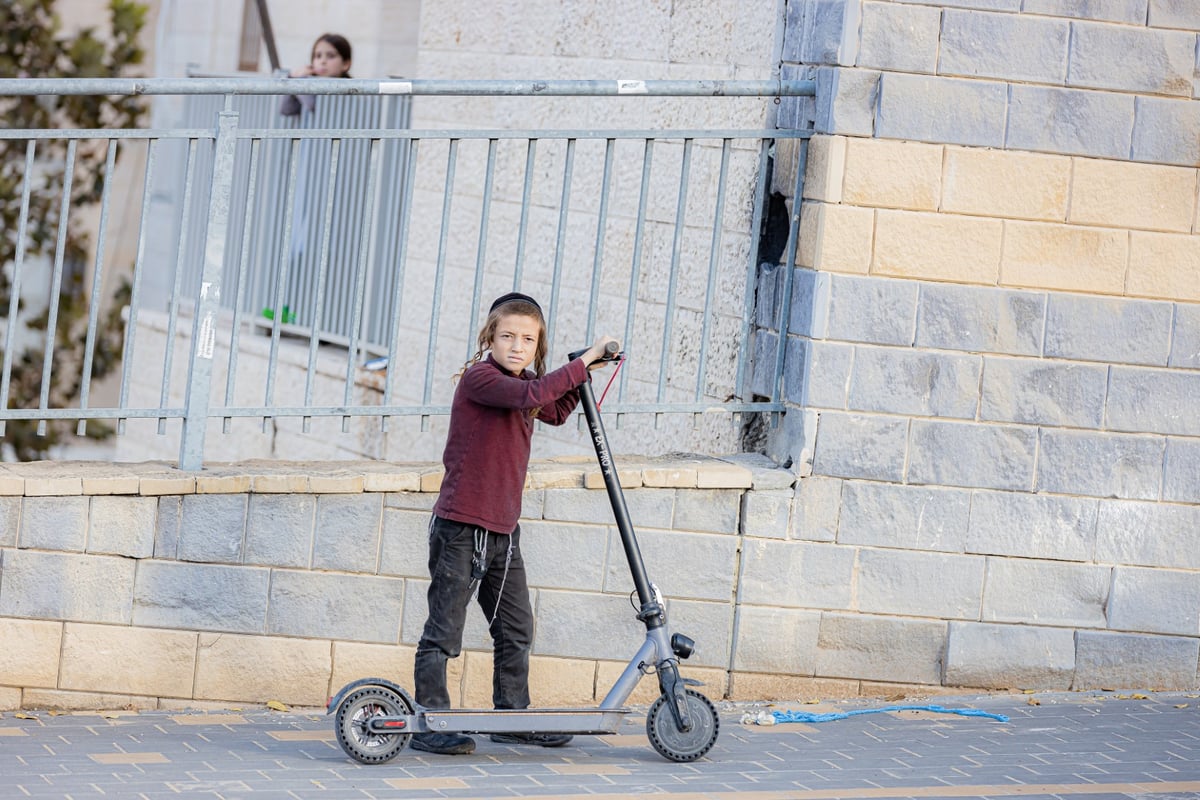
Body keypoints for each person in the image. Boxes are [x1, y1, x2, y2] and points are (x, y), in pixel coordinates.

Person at [410, 293, 618, 756]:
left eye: (528, 339)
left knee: (515, 629)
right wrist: (583, 362)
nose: (517, 346)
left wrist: (588, 371)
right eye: (508, 336)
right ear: (490, 338)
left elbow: (555, 410)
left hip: (503, 531)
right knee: (444, 630)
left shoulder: (525, 384)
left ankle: (512, 717)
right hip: (460, 528)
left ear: (538, 344)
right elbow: (532, 395)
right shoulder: (481, 379)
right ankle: (429, 721)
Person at [279, 33, 352, 116]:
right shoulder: (310, 83)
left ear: (345, 64)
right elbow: (286, 110)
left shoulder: (351, 89)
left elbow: (314, 105)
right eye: (318, 56)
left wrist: (299, 81)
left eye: (331, 56)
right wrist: (292, 80)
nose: (323, 61)